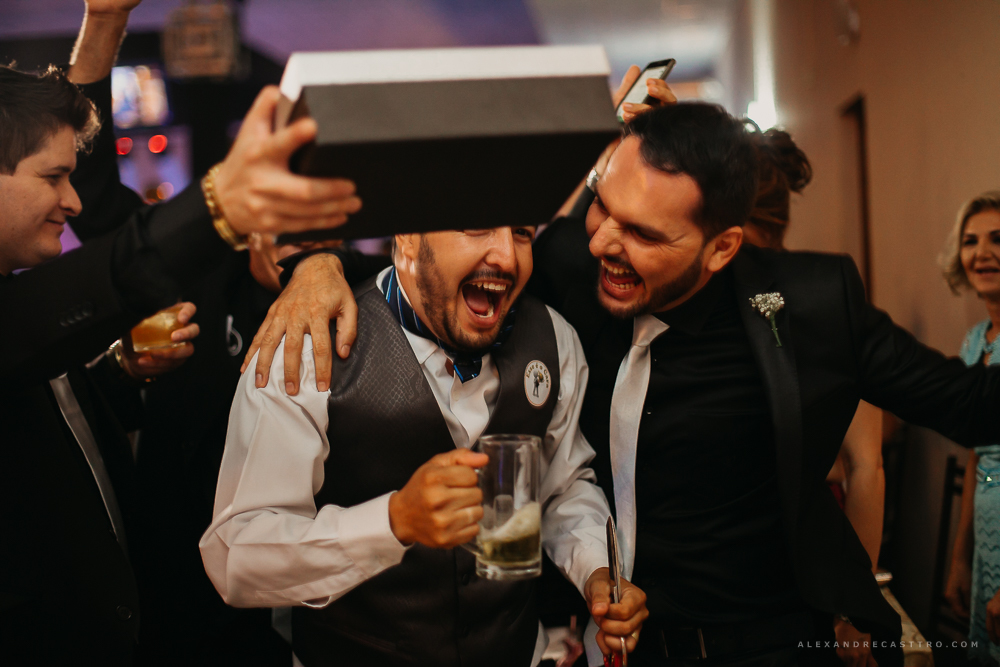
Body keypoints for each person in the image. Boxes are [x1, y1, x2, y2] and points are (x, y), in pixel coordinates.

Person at [244, 68, 1000, 667]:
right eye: (603, 208)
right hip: (615, 644)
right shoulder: (571, 268)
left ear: (722, 247)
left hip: (768, 640)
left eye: (642, 233)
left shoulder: (808, 302)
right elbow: (433, 250)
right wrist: (319, 264)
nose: (604, 242)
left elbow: (970, 404)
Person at [0, 0, 361, 662]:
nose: (72, 199)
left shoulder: (350, 288)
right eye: (53, 177)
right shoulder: (193, 273)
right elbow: (109, 246)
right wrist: (219, 203)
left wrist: (118, 373)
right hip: (155, 604)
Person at [200, 224, 649, 667]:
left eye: (521, 233)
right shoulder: (306, 345)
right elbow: (236, 555)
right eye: (477, 227)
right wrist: (392, 522)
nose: (508, 258)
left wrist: (595, 571)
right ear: (409, 238)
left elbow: (562, 488)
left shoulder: (554, 340)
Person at [943, 192, 1000, 665]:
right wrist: (961, 557)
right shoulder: (975, 342)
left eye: (999, 239)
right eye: (971, 241)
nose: (983, 252)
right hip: (985, 525)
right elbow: (977, 453)